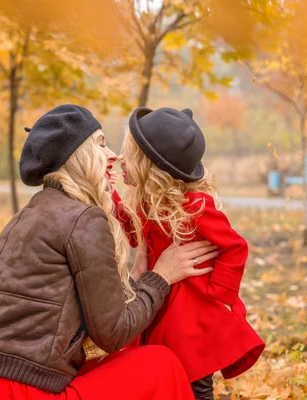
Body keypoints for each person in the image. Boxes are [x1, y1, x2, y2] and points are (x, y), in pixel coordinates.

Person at [0, 104, 219, 400]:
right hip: (25, 391)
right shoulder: (83, 218)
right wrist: (161, 276)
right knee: (161, 363)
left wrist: (136, 278)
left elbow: (98, 316)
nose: (113, 157)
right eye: (100, 144)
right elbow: (113, 335)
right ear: (77, 156)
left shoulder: (28, 214)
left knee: (113, 367)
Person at [114, 107, 266, 400]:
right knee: (164, 377)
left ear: (148, 164)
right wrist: (109, 194)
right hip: (160, 305)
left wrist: (216, 293)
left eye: (127, 153)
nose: (120, 159)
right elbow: (134, 235)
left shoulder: (195, 206)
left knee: (194, 381)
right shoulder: (146, 203)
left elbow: (235, 247)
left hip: (191, 315)